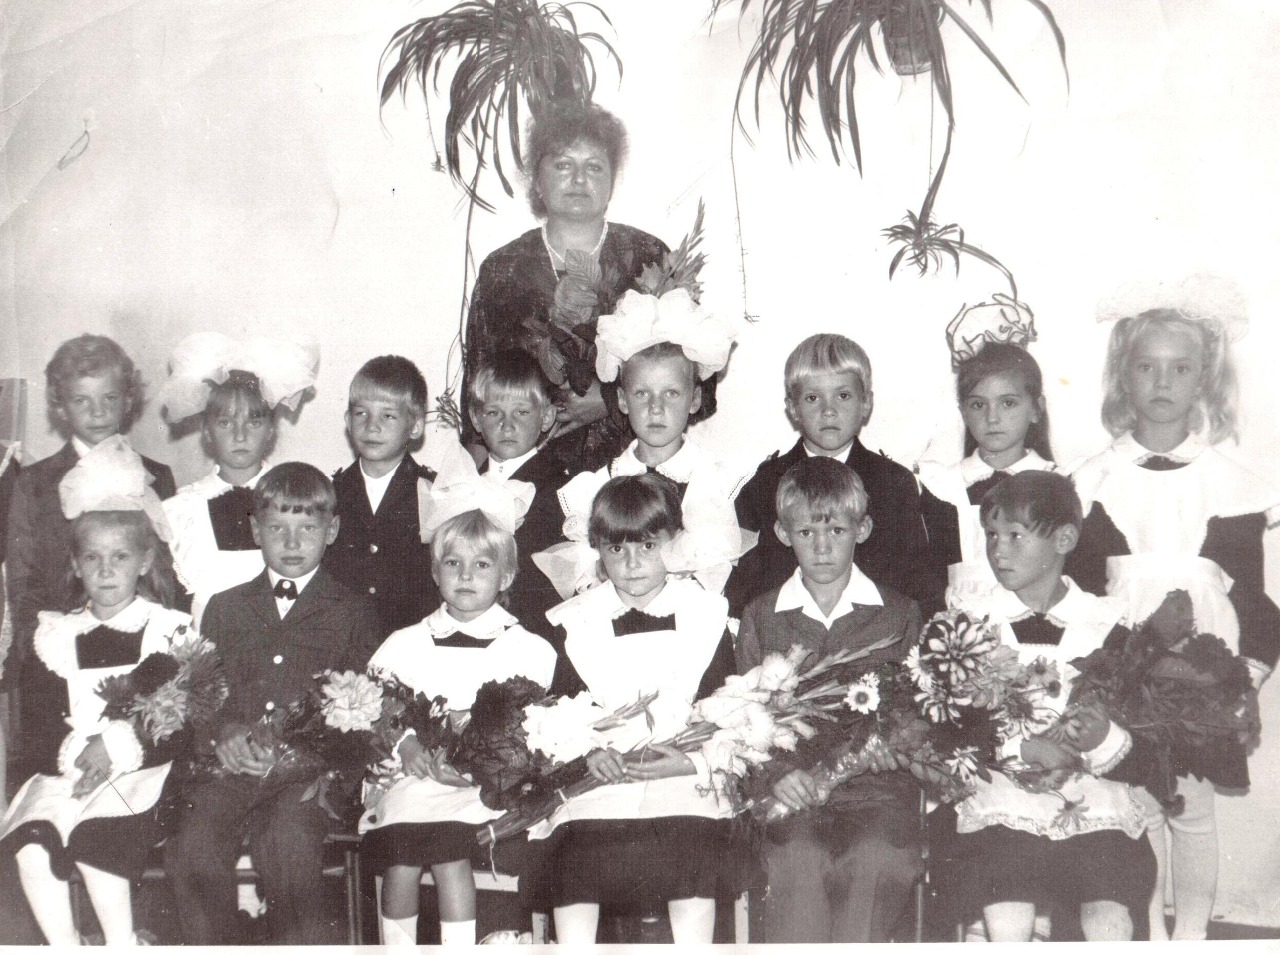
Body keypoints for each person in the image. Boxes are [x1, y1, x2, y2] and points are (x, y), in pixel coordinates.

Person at [1067, 277, 1280, 940]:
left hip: (1202, 673)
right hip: (1121, 665)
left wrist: (1243, 679)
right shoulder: (1095, 479)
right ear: (1122, 378)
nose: (1162, 382)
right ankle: (1149, 935)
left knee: (1190, 807)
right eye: (1146, 367)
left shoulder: (1228, 482)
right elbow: (1082, 592)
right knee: (1136, 803)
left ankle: (1190, 936)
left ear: (1203, 379)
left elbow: (1252, 596)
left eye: (1180, 368)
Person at [164, 463, 383, 945]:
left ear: (332, 531)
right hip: (230, 767)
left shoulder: (353, 612)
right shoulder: (224, 607)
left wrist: (301, 755)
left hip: (309, 775)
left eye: (307, 528)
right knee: (192, 844)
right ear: (255, 530)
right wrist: (222, 732)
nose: (292, 541)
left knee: (287, 840)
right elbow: (203, 692)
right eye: (278, 528)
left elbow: (361, 710)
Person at [525, 473, 742, 944]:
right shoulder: (576, 620)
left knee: (690, 843)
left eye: (647, 545)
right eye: (616, 548)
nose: (632, 562)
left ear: (675, 544)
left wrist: (691, 761)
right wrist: (588, 753)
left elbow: (724, 706)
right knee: (578, 848)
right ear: (597, 551)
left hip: (683, 769)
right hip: (603, 773)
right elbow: (561, 709)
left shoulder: (706, 614)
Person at [941, 471, 1155, 942]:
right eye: (991, 535)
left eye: (1016, 536)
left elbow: (1143, 744)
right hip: (998, 794)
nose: (998, 550)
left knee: (1108, 914)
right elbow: (950, 727)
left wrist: (1099, 741)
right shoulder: (969, 622)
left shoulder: (1107, 623)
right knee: (1008, 903)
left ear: (1064, 539)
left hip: (1090, 797)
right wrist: (1020, 751)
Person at [0, 438, 192, 946]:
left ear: (145, 561)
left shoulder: (168, 631)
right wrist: (72, 759)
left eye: (120, 556)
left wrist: (115, 746)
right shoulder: (56, 635)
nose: (106, 570)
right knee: (32, 846)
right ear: (76, 565)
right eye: (93, 557)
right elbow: (39, 725)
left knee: (95, 843)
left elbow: (177, 722)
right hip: (68, 773)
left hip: (144, 774)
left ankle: (121, 944)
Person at [465, 102, 717, 473]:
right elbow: (476, 387)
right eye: (563, 165)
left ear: (611, 180)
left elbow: (700, 383)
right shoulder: (503, 270)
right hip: (526, 471)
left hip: (633, 468)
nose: (579, 179)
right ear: (537, 180)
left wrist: (611, 398)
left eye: (594, 167)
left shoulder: (648, 258)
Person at [360, 476, 557, 946]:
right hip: (411, 778)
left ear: (505, 577)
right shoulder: (404, 643)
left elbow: (525, 731)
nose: (466, 576)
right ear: (435, 572)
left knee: (449, 855)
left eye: (481, 565)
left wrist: (474, 765)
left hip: (480, 785)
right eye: (453, 563)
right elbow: (375, 707)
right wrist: (406, 744)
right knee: (401, 857)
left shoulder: (527, 649)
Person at [735, 457, 924, 942]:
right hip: (791, 793)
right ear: (782, 533)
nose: (822, 547)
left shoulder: (899, 613)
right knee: (798, 857)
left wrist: (899, 746)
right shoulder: (761, 615)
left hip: (877, 792)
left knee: (875, 857)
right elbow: (743, 718)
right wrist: (778, 774)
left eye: (836, 530)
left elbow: (918, 714)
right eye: (806, 533)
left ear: (863, 529)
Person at [5, 334, 175, 780]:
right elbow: (24, 587)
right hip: (59, 665)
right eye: (82, 400)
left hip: (136, 659)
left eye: (109, 398)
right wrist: (49, 658)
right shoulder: (34, 484)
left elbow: (164, 576)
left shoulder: (156, 476)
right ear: (60, 407)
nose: (97, 412)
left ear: (128, 401)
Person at [727, 333, 958, 619]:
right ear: (793, 408)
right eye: (813, 398)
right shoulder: (765, 483)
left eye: (843, 396)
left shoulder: (894, 482)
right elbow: (743, 582)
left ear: (866, 403)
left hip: (876, 631)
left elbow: (917, 580)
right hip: (786, 631)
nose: (828, 411)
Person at [545, 309, 745, 599]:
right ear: (622, 400)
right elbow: (586, 573)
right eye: (642, 394)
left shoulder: (716, 482)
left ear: (694, 399)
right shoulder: (597, 485)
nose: (656, 408)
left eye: (671, 393)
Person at [159, 332, 320, 626]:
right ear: (207, 431)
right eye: (225, 422)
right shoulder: (180, 511)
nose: (240, 435)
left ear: (271, 429)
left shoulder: (298, 499)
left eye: (254, 422)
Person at [918, 341, 1058, 602]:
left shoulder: (1059, 484)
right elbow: (929, 580)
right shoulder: (941, 488)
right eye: (978, 405)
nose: (992, 418)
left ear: (1036, 409)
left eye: (1008, 403)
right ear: (963, 412)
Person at [324, 355, 438, 635]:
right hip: (341, 640)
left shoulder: (435, 493)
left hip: (410, 640)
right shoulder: (330, 494)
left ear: (415, 426)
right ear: (348, 421)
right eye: (361, 413)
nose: (372, 426)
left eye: (388, 415)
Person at [468, 349, 573, 641]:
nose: (507, 425)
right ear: (476, 419)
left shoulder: (563, 491)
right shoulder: (463, 487)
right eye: (494, 413)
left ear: (546, 417)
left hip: (536, 638)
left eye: (522, 412)